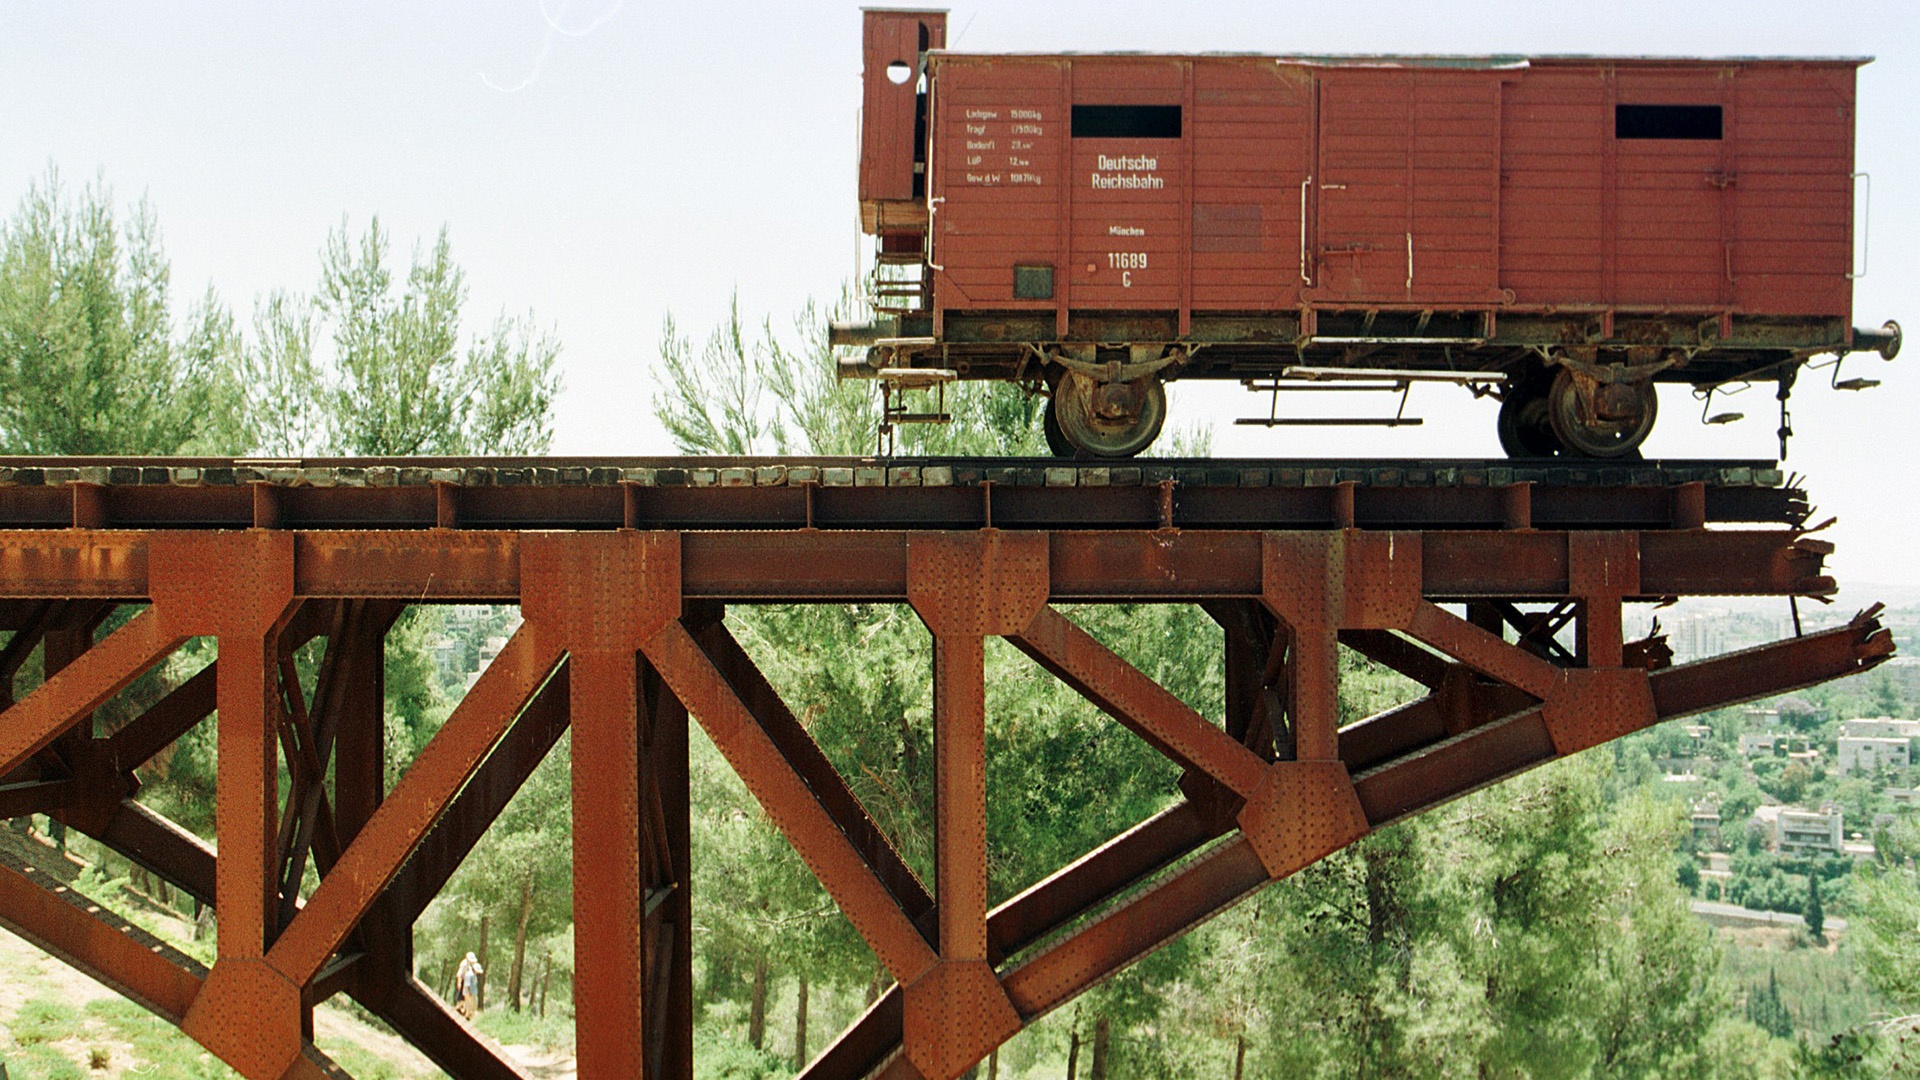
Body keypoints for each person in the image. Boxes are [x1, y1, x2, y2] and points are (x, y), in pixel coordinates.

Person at [456, 951, 483, 1019]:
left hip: (466, 980)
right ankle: (459, 1007)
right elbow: (459, 974)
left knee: (465, 997)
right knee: (463, 996)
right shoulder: (464, 964)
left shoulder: (470, 965)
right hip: (463, 980)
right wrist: (459, 982)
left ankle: (463, 1009)